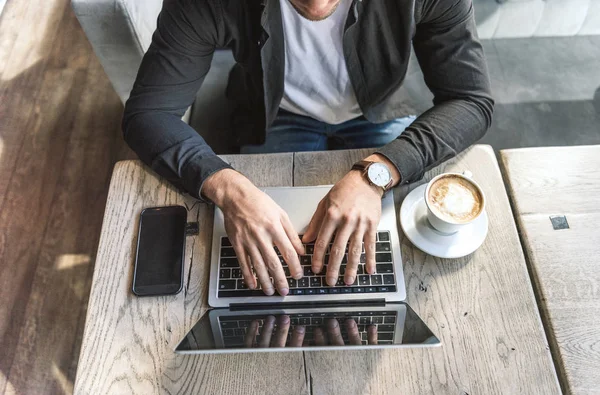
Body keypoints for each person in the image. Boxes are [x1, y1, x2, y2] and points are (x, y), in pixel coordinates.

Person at [122, 0, 494, 297]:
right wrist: (229, 189)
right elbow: (148, 114)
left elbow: (471, 100)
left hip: (374, 110)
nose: (316, 5)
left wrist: (378, 172)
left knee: (393, 260)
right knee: (269, 253)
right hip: (274, 113)